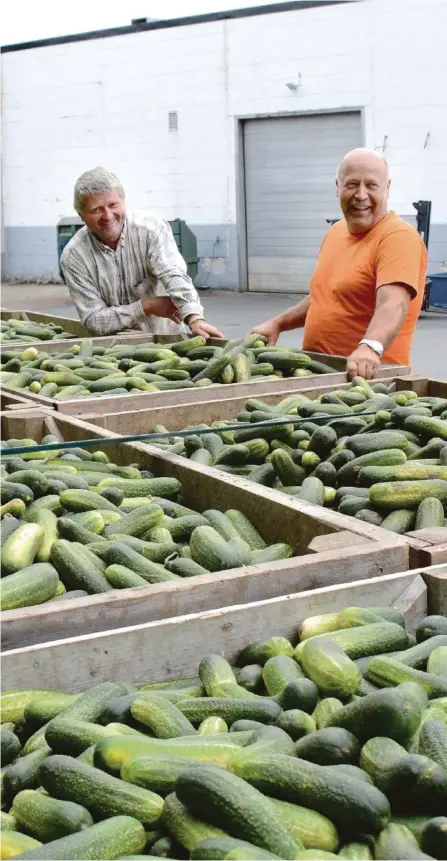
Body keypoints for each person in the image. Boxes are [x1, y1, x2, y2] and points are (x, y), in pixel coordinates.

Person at [251, 148, 427, 379]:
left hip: (367, 381)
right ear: (338, 186)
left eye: (371, 185)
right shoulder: (335, 232)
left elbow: (393, 303)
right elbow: (325, 295)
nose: (361, 195)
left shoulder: (397, 237)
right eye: (352, 184)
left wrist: (371, 346)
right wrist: (278, 324)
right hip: (320, 371)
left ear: (387, 188)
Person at [61, 166, 224, 339]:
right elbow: (94, 321)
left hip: (168, 341)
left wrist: (195, 318)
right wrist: (147, 306)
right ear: (81, 215)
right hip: (113, 353)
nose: (108, 216)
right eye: (96, 210)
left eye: (113, 205)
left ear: (123, 201)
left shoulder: (150, 230)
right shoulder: (74, 256)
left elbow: (173, 274)